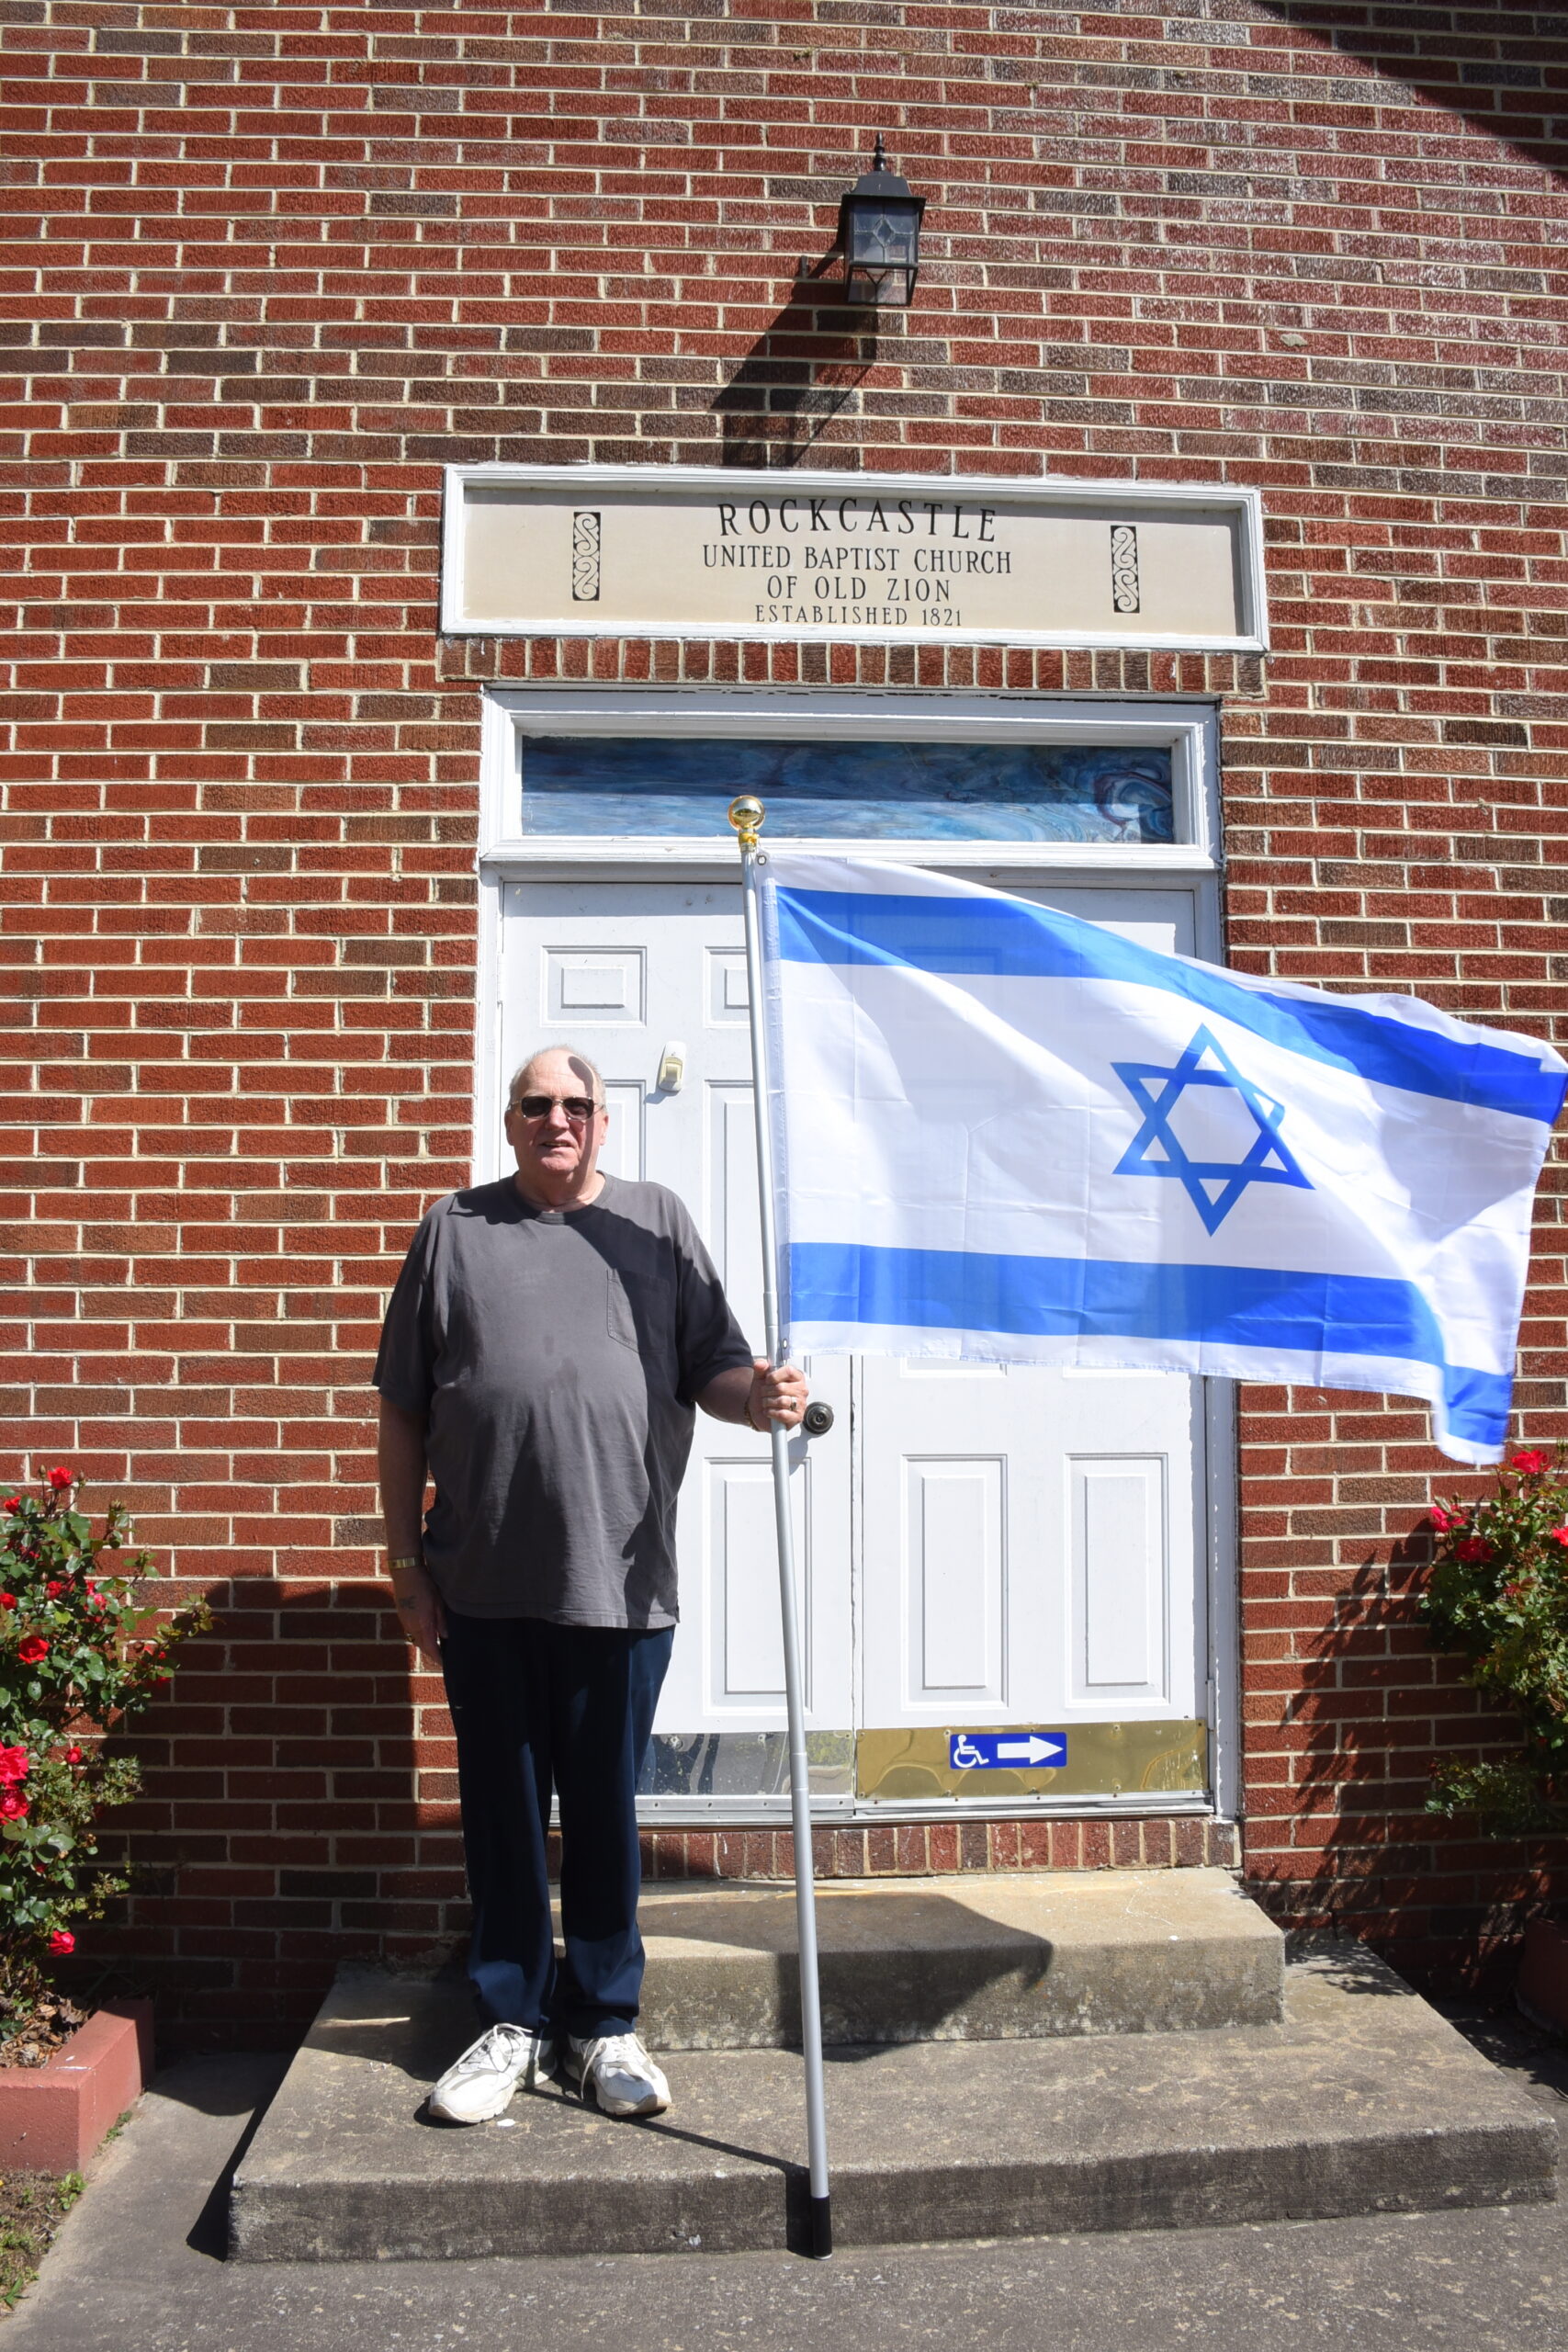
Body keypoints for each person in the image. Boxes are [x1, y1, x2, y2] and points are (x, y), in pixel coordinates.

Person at [374, 1046, 807, 2126]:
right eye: (537, 1106)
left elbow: (710, 1364)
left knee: (606, 1809)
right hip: (480, 1578)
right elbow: (403, 1409)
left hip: (618, 1579)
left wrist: (759, 1397)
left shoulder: (656, 1221)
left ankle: (606, 2022)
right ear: (509, 1121)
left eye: (576, 1105)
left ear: (604, 1122)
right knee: (505, 1813)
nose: (556, 1120)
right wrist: (404, 1564)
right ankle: (513, 2020)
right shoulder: (453, 1230)